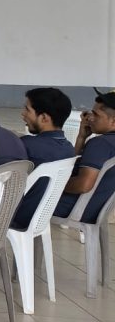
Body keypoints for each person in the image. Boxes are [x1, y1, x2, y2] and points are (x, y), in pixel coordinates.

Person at [11, 87, 75, 230]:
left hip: (16, 217)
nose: (23, 114)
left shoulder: (27, 146)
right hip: (41, 216)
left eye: (27, 110)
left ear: (44, 118)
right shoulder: (68, 148)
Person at [51, 89, 115, 223]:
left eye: (96, 115)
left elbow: (83, 184)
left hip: (73, 209)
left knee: (20, 200)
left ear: (113, 121)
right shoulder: (106, 142)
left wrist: (52, 185)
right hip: (95, 210)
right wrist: (81, 138)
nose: (89, 118)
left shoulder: (100, 144)